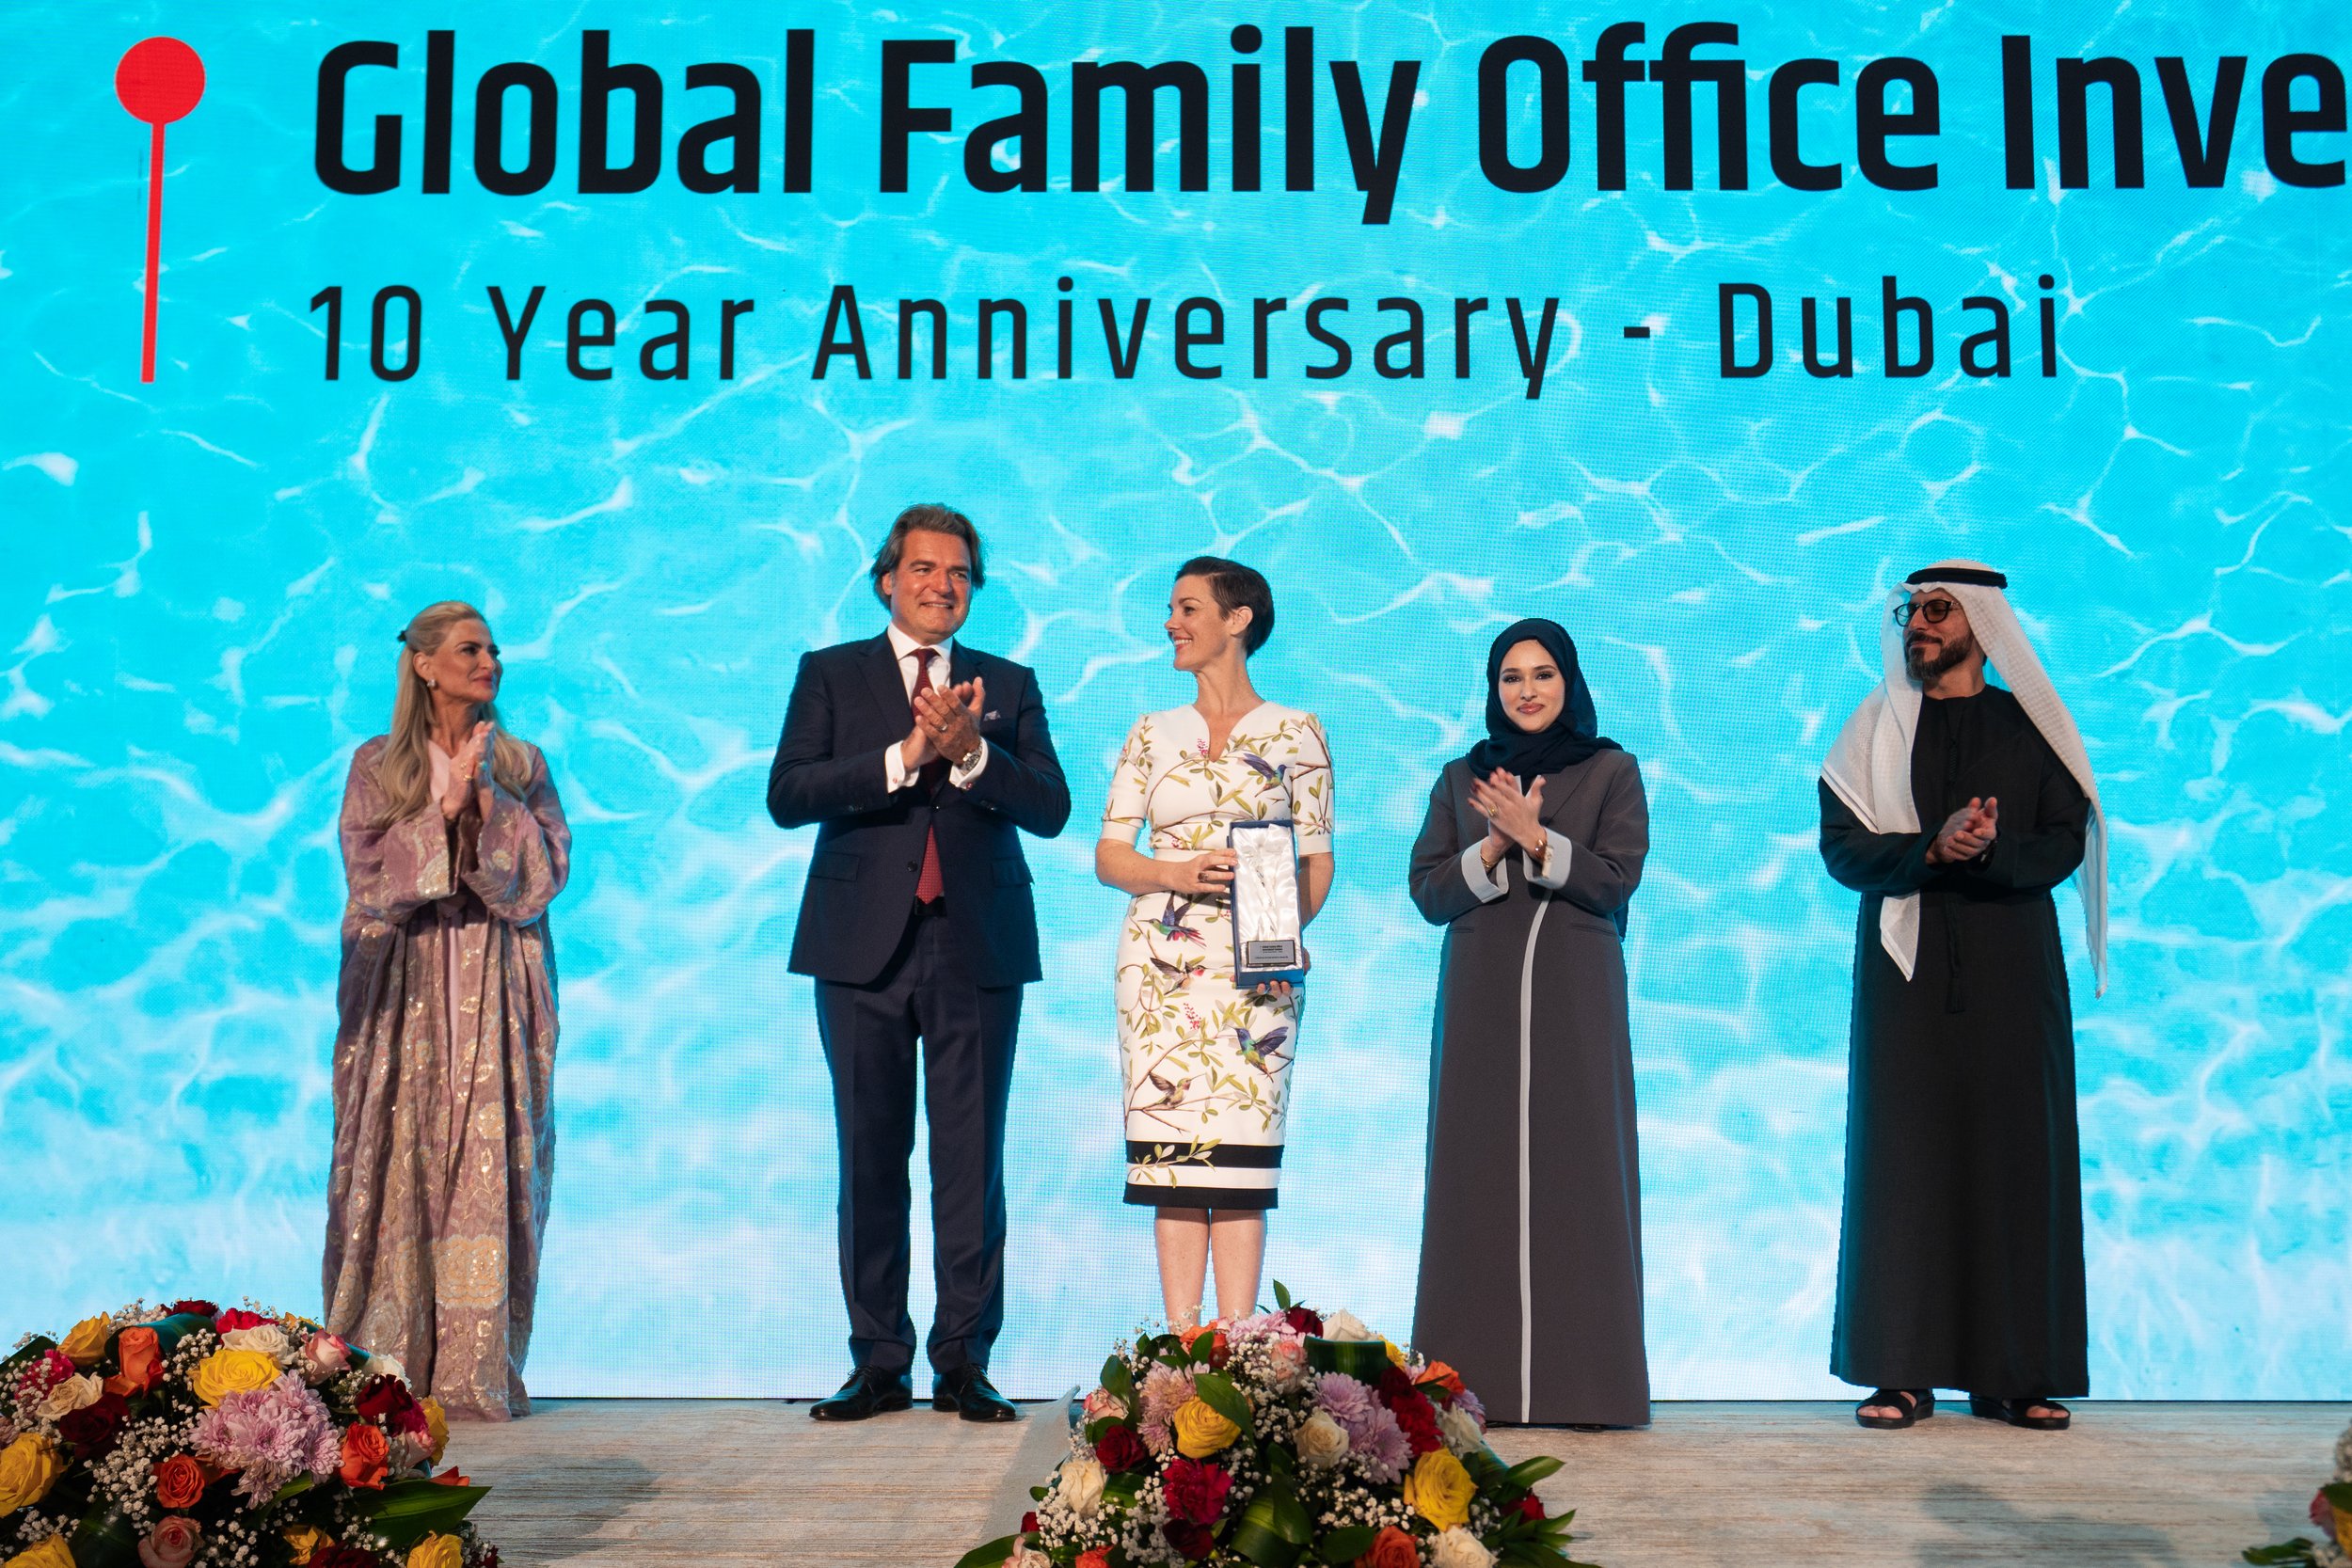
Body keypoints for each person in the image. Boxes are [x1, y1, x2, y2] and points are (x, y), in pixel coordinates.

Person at [769, 503, 1072, 1423]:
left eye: (961, 572)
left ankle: (964, 1360)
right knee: (869, 1155)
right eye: (926, 568)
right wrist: (907, 753)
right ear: (886, 579)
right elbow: (790, 793)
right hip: (859, 944)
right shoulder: (830, 673)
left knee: (970, 1161)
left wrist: (974, 753)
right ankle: (878, 1361)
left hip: (976, 942)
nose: (944, 584)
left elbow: (1051, 807)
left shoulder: (1008, 683)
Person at [1818, 561, 2107, 1433]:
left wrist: (1987, 851)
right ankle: (1900, 1372)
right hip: (1903, 979)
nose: (1920, 624)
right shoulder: (1874, 728)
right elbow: (1842, 847)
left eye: (1939, 611)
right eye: (1911, 611)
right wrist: (1929, 852)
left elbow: (2064, 837)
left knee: (2016, 1160)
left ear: (1982, 624)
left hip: (2012, 968)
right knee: (1903, 1162)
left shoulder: (2030, 730)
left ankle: (2016, 1374)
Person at [324, 599, 571, 1420]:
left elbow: (546, 874)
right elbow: (368, 875)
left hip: (493, 983)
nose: (488, 662)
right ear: (425, 664)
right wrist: (442, 811)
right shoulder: (378, 765)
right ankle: (384, 1368)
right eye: (470, 649)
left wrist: (485, 800)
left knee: (488, 1161)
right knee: (399, 1154)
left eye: (494, 650)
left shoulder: (522, 763)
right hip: (408, 990)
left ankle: (473, 1368)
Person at [1406, 619, 1650, 1428]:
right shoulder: (1461, 778)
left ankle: (1587, 1387)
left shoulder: (1611, 770)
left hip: (1575, 993)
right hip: (1480, 994)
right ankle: (1468, 1389)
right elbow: (1428, 891)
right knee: (1474, 1178)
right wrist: (1490, 846)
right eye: (1511, 677)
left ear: (1567, 681)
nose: (1527, 690)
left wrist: (1537, 837)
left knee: (1581, 1175)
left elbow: (1615, 880)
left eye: (1543, 673)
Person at [1096, 557, 1335, 1329]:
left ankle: (1239, 1349)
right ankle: (1181, 1348)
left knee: (1241, 1168)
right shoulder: (1151, 732)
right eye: (1172, 608)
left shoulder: (1298, 731)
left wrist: (1282, 942)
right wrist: (1175, 872)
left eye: (1188, 607)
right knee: (1172, 1167)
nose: (1172, 622)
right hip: (1160, 971)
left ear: (1238, 619)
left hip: (1258, 971)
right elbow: (1110, 857)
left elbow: (1317, 861)